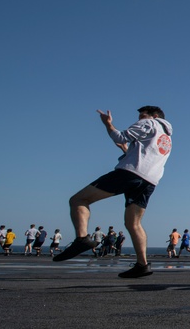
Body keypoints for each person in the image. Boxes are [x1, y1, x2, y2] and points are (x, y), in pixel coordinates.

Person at [54, 106, 173, 279]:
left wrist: (108, 124)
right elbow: (146, 155)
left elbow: (120, 136)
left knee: (79, 200)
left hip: (130, 173)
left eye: (143, 115)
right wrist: (126, 150)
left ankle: (82, 239)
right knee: (133, 224)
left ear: (154, 116)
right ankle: (142, 265)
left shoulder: (150, 123)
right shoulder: (167, 137)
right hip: (149, 180)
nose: (140, 119)